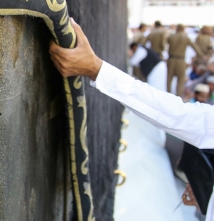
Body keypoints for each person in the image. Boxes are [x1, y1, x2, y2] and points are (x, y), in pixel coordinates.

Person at [48, 18, 214, 150]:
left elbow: (184, 119)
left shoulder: (161, 38)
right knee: (173, 89)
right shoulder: (180, 37)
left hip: (167, 63)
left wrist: (97, 70)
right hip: (173, 63)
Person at [167, 24, 204, 96]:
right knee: (180, 80)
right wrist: (201, 56)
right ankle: (178, 96)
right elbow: (195, 48)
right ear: (183, 29)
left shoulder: (171, 37)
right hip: (181, 60)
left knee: (169, 79)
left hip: (171, 59)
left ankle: (168, 95)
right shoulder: (185, 38)